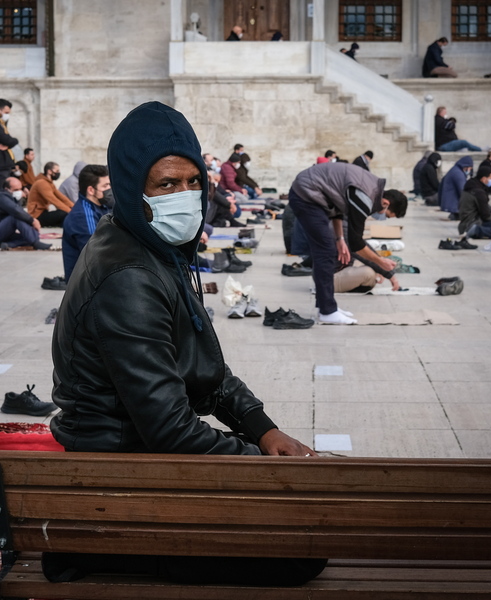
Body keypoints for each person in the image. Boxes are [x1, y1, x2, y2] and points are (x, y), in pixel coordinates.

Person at [46, 101, 326, 587]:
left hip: (141, 449)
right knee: (301, 553)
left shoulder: (149, 246)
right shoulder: (129, 276)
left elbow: (204, 369)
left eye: (194, 182)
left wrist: (262, 430)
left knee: (306, 523)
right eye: (167, 184)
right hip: (120, 467)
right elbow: (170, 431)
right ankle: (100, 553)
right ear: (136, 190)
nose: (186, 195)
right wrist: (258, 465)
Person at [290, 161, 407, 325]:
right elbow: (357, 243)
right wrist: (381, 262)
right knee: (325, 252)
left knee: (329, 250)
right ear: (386, 203)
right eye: (387, 215)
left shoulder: (371, 188)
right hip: (307, 195)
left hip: (312, 195)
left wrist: (340, 239)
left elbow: (338, 210)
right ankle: (327, 311)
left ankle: (328, 306)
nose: (382, 218)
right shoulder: (365, 196)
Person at [62, 164, 111, 281]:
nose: (109, 189)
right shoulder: (82, 216)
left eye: (109, 184)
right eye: (105, 186)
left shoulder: (102, 205)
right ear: (91, 190)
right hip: (86, 284)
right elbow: (96, 254)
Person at [0, 176, 48, 250]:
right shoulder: (1, 197)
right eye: (16, 190)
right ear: (7, 189)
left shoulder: (11, 198)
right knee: (15, 218)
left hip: (5, 233)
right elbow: (16, 211)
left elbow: (18, 210)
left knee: (29, 236)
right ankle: (36, 243)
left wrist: (20, 199)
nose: (19, 191)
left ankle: (8, 244)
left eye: (20, 189)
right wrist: (32, 221)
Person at [458, 165, 491, 239]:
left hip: (465, 223)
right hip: (472, 224)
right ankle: (477, 231)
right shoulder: (478, 192)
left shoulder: (471, 185)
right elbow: (486, 215)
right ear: (484, 179)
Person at [27, 162, 74, 227]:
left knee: (65, 215)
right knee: (63, 213)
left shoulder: (49, 183)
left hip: (43, 212)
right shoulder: (42, 183)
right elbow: (54, 200)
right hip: (36, 216)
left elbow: (61, 197)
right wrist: (71, 211)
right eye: (57, 171)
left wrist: (74, 207)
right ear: (49, 171)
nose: (58, 173)